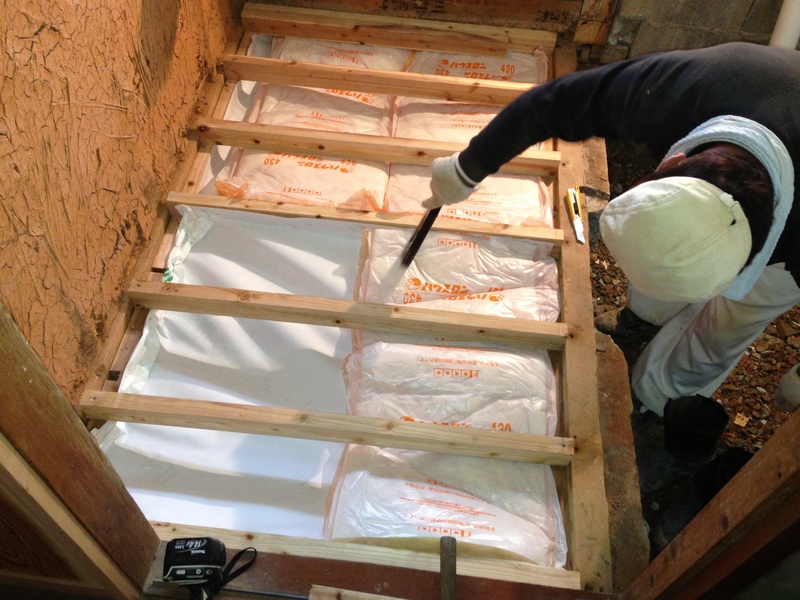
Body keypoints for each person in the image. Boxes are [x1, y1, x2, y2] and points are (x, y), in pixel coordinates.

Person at [426, 42, 800, 425]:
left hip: (786, 259)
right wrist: (468, 168)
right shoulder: (678, 92)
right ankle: (642, 317)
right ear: (672, 162)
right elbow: (552, 104)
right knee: (657, 252)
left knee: (729, 325)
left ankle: (660, 398)